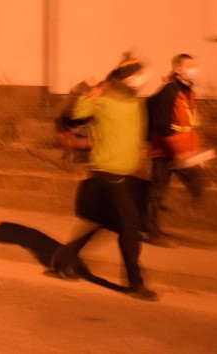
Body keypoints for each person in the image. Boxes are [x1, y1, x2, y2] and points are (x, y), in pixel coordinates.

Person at [50, 54, 159, 301]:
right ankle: (135, 283)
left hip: (128, 175)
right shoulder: (105, 99)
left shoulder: (135, 102)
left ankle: (64, 259)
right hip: (110, 175)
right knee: (130, 227)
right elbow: (76, 114)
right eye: (139, 74)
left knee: (107, 223)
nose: (142, 79)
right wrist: (90, 90)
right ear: (129, 78)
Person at [146, 53, 210, 245]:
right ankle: (152, 231)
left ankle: (203, 220)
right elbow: (163, 126)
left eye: (195, 66)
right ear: (179, 70)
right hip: (166, 152)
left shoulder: (189, 92)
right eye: (190, 66)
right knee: (157, 191)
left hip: (184, 151)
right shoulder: (169, 91)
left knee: (198, 182)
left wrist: (193, 150)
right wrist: (180, 151)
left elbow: (189, 123)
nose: (195, 70)